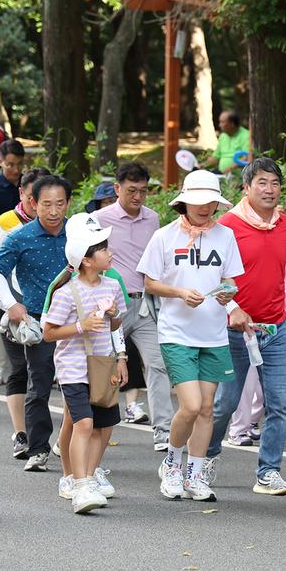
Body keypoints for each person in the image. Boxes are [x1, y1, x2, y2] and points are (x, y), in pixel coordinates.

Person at [137, 170, 247, 501]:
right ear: (184, 201)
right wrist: (180, 292)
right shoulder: (164, 237)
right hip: (177, 333)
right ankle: (171, 464)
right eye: (198, 201)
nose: (205, 207)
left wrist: (228, 294)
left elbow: (231, 280)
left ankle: (195, 474)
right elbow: (149, 283)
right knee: (191, 405)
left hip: (213, 334)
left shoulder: (225, 236)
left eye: (211, 201)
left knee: (207, 409)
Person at [206, 158, 286, 496]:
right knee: (226, 403)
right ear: (246, 187)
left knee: (279, 403)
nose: (269, 189)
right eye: (262, 182)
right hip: (235, 329)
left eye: (275, 183)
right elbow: (215, 279)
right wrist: (233, 308)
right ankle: (206, 455)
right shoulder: (226, 225)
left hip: (275, 327)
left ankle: (269, 472)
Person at [42, 216, 128, 514]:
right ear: (86, 260)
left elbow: (116, 325)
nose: (109, 252)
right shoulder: (66, 292)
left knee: (105, 426)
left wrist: (122, 356)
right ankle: (78, 485)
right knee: (84, 423)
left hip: (104, 365)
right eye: (103, 249)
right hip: (73, 368)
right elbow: (49, 332)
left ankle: (89, 477)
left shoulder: (113, 286)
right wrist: (80, 326)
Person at [0, 175, 71, 473]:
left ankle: (73, 442)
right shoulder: (19, 237)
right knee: (40, 385)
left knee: (81, 386)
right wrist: (12, 304)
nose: (53, 211)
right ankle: (38, 448)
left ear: (68, 203)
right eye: (46, 204)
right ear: (33, 203)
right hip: (39, 322)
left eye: (59, 204)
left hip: (78, 322)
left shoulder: (78, 233)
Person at [93, 163, 175, 450]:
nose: (138, 197)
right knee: (102, 369)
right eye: (131, 191)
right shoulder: (98, 218)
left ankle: (164, 432)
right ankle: (86, 429)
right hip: (109, 306)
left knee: (158, 365)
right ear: (117, 189)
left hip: (144, 306)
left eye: (143, 191)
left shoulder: (153, 219)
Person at [0, 168, 47, 400]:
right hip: (11, 303)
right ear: (21, 193)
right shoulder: (5, 222)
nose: (36, 204)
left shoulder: (56, 225)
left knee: (42, 367)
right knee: (19, 366)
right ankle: (22, 427)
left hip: (46, 304)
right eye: (31, 197)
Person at [204, 111, 251, 175]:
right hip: (221, 173)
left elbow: (246, 157)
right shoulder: (223, 136)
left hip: (237, 174)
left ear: (232, 124)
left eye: (222, 122)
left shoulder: (246, 135)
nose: (219, 125)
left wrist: (230, 169)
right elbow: (216, 157)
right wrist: (202, 165)